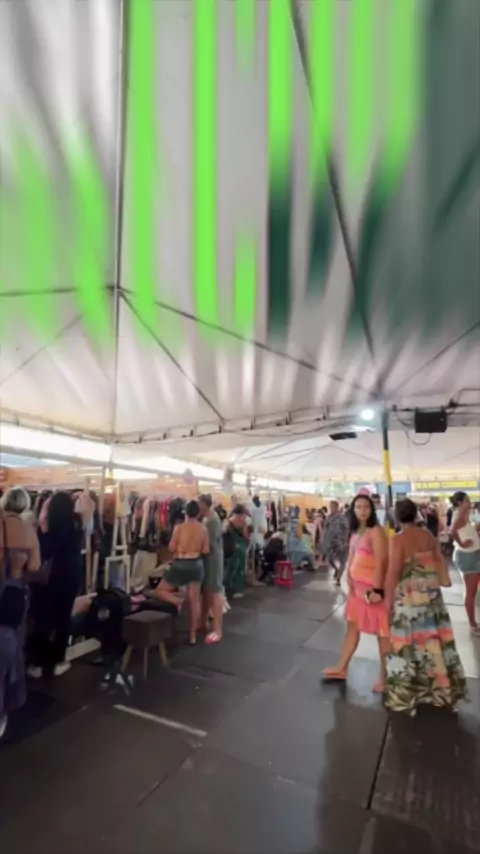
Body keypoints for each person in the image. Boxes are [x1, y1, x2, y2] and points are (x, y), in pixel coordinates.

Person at [384, 498, 467, 715]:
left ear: (396, 517)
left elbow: (393, 572)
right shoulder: (428, 536)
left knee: (408, 644)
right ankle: (440, 691)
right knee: (434, 643)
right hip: (431, 598)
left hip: (409, 600)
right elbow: (438, 561)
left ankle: (409, 693)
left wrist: (387, 601)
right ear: (415, 514)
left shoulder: (397, 540)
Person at [323, 494, 389, 692]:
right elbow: (351, 557)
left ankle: (385, 677)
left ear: (372, 509)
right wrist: (348, 580)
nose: (362, 511)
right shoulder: (356, 532)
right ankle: (341, 668)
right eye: (358, 507)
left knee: (382, 634)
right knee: (352, 629)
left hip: (372, 591)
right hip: (357, 592)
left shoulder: (376, 532)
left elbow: (382, 561)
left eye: (366, 507)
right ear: (353, 510)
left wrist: (378, 589)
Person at [28, 491, 83, 679]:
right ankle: (59, 661)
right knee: (63, 619)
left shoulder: (47, 528)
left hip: (50, 578)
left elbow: (43, 553)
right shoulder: (77, 525)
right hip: (71, 576)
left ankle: (37, 663)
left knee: (43, 619)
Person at [0, 487, 41, 737]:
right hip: (15, 597)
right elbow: (34, 567)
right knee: (12, 648)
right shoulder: (29, 531)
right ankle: (11, 701)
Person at [156, 500, 209, 646]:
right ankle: (192, 636)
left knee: (160, 590)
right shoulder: (203, 529)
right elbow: (205, 550)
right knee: (194, 601)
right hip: (197, 565)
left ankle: (177, 601)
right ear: (198, 513)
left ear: (186, 512)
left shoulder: (179, 528)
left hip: (180, 563)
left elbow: (171, 548)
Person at [450, 491, 480, 636]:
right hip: (468, 557)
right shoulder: (460, 516)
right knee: (470, 592)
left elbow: (464, 530)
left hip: (472, 555)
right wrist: (462, 543)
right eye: (467, 500)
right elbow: (452, 531)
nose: (469, 502)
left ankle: (473, 623)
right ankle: (473, 625)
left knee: (472, 592)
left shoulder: (464, 515)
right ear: (460, 503)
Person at [198, 494, 224, 645]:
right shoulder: (207, 518)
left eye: (199, 503)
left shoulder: (213, 520)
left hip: (213, 560)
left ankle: (217, 629)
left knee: (215, 592)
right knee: (207, 591)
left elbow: (210, 544)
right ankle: (203, 622)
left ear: (204, 504)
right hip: (208, 560)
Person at [224, 505, 250, 599]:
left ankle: (227, 588)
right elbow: (245, 535)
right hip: (240, 546)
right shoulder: (243, 522)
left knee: (229, 568)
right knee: (240, 568)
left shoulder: (228, 521)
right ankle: (238, 590)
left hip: (230, 546)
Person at [323, 500, 350, 586]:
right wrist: (324, 540)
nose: (331, 509)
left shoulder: (342, 517)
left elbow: (347, 529)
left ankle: (338, 579)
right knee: (329, 559)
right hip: (330, 542)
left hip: (340, 542)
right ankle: (336, 569)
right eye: (330, 507)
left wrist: (345, 541)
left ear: (337, 507)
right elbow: (326, 529)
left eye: (333, 507)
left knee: (342, 561)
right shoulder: (328, 517)